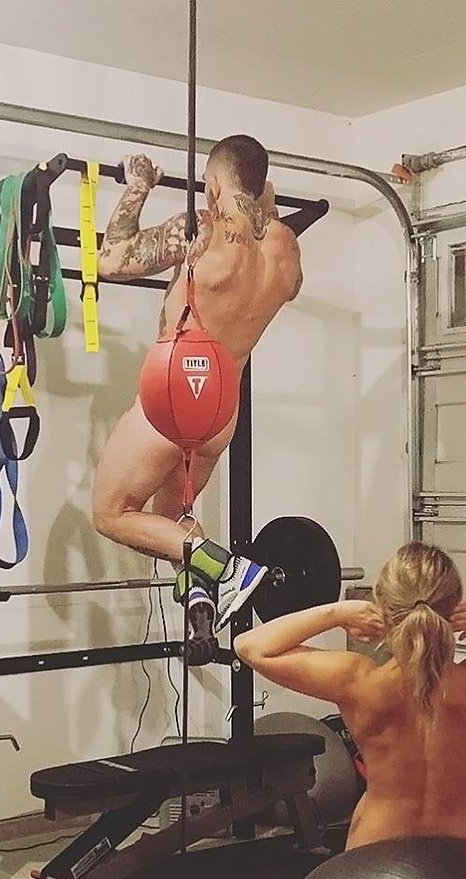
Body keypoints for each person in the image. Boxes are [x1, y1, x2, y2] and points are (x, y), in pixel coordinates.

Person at [232, 540, 466, 851]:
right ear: (456, 608)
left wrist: (337, 613)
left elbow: (251, 647)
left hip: (378, 849)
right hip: (464, 850)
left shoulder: (358, 681)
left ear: (384, 610)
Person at [92, 135, 303, 663]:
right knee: (172, 526)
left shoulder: (199, 231)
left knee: (111, 513)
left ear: (210, 185)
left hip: (176, 392)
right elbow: (284, 269)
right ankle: (203, 601)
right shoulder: (287, 250)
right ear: (263, 188)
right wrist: (265, 207)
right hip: (221, 410)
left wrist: (139, 186)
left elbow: (110, 259)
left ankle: (229, 572)